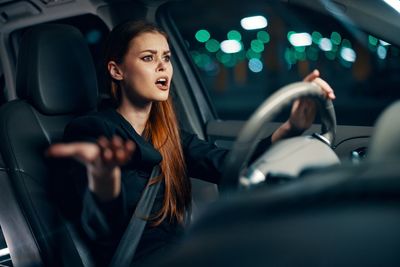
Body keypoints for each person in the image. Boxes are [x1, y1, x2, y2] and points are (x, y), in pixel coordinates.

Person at [47, 20, 335, 266]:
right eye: (148, 58)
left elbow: (228, 165)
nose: (163, 67)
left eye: (167, 57)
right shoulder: (91, 130)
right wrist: (105, 180)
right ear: (116, 71)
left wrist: (291, 127)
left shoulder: (167, 132)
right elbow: (100, 218)